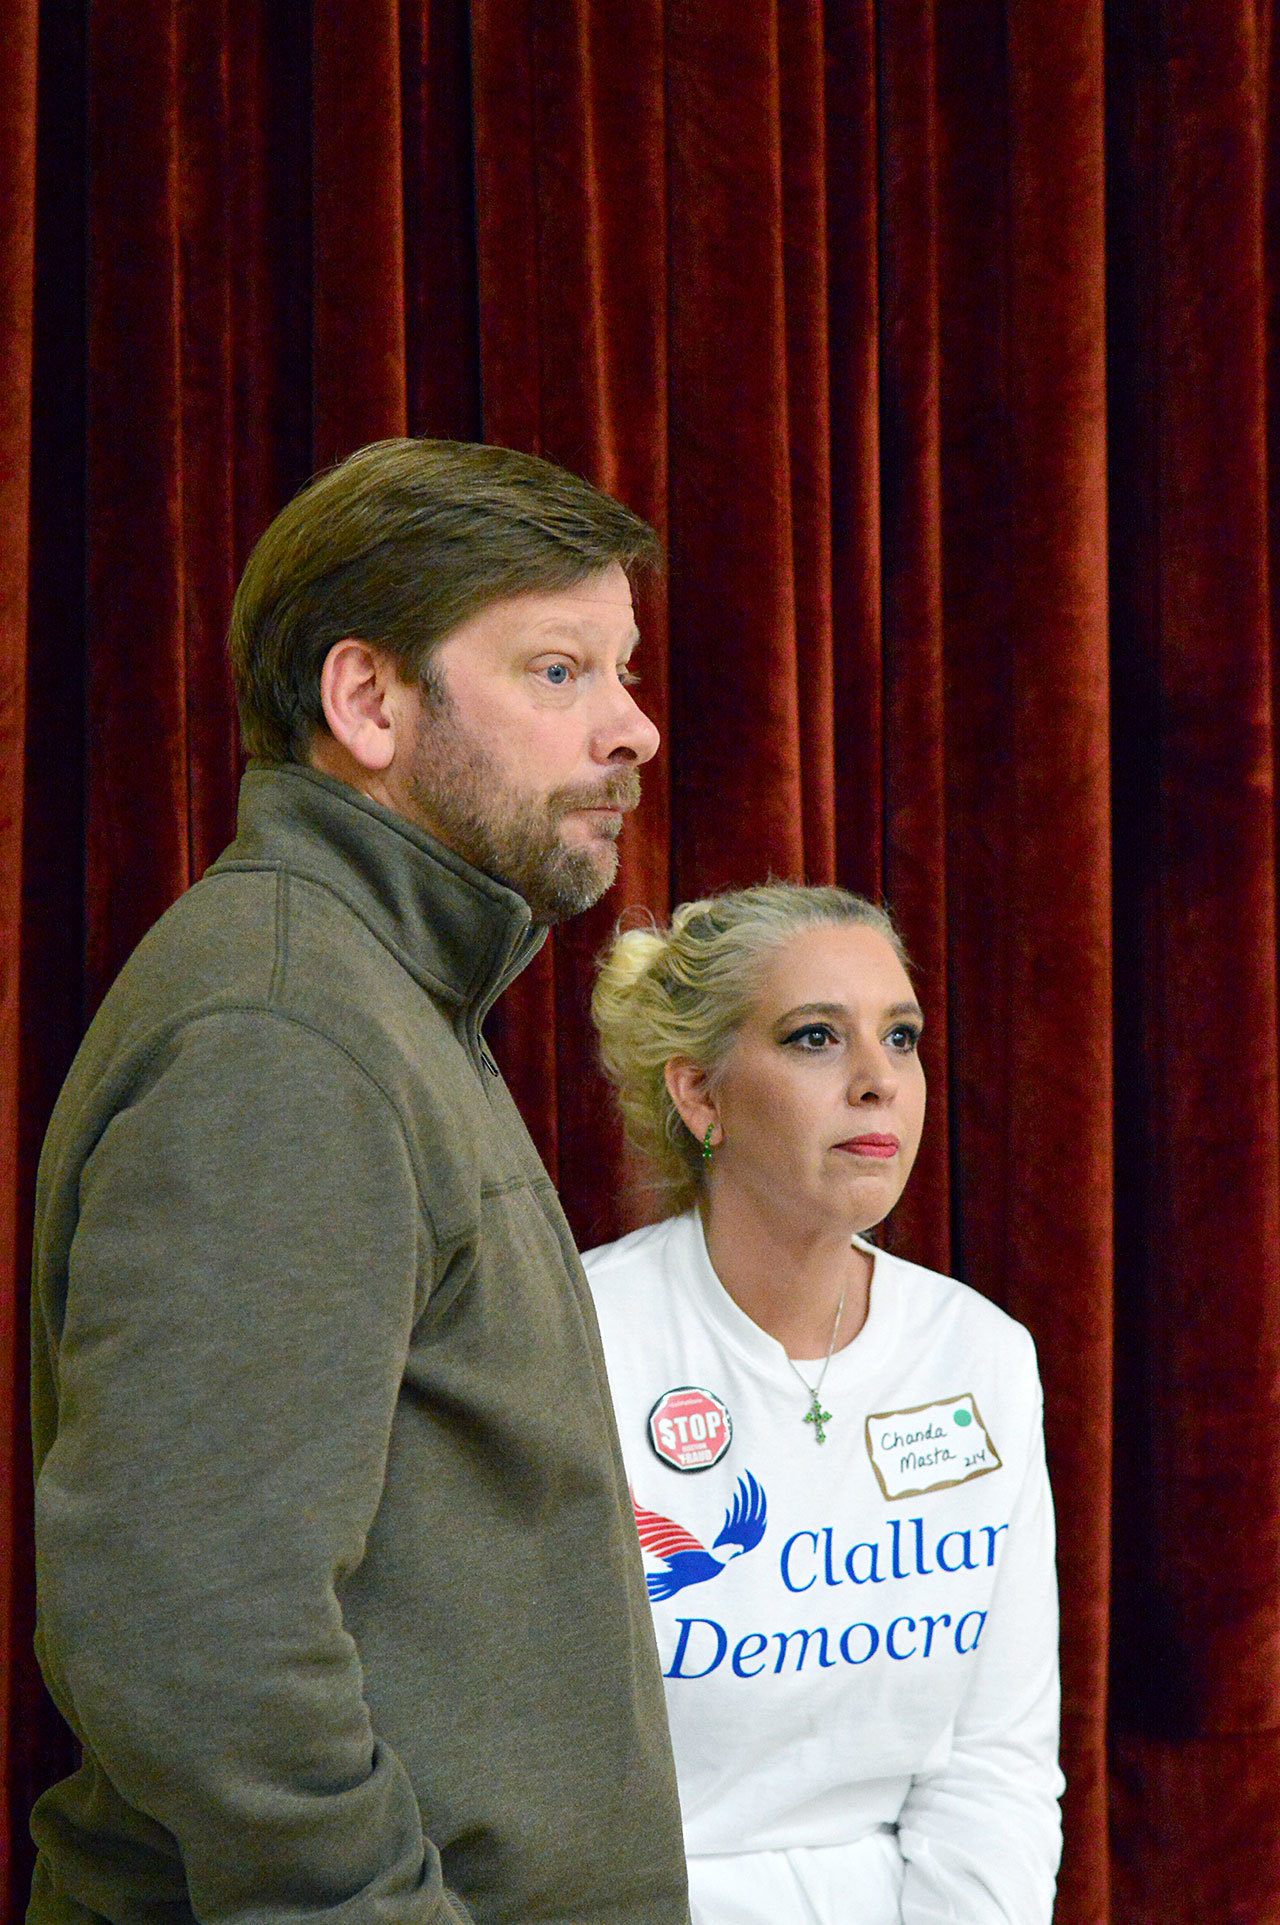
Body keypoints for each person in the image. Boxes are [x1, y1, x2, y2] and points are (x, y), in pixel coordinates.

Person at [27, 438, 691, 1924]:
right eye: (559, 672)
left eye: (623, 670)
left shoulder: (382, 994)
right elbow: (194, 1629)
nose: (635, 726)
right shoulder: (286, 1035)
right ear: (368, 702)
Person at [582, 884, 1064, 1925]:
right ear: (698, 1094)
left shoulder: (977, 1354)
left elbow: (995, 1767)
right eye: (814, 1037)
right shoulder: (574, 1340)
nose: (875, 1081)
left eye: (900, 1037)